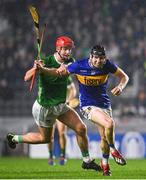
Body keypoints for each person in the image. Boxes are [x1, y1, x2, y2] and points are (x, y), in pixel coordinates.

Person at [6, 36, 101, 172]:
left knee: (81, 128)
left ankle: (86, 161)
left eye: (70, 49)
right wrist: (35, 68)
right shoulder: (47, 61)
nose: (68, 52)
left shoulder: (70, 62)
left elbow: (60, 73)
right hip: (44, 108)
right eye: (65, 49)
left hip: (60, 106)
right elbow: (26, 78)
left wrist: (43, 69)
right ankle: (14, 138)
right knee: (45, 138)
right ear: (58, 49)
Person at [35, 44, 129, 176]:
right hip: (87, 105)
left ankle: (105, 165)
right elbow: (58, 72)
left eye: (101, 58)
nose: (98, 61)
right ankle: (114, 150)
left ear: (105, 58)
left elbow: (125, 77)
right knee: (109, 123)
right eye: (95, 58)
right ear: (91, 57)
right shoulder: (79, 65)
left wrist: (120, 86)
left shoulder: (107, 65)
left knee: (104, 137)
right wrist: (43, 70)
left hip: (104, 105)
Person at [48, 77, 78, 166]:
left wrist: (68, 100)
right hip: (50, 108)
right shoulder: (47, 76)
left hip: (62, 107)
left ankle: (63, 155)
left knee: (62, 133)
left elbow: (73, 90)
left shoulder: (65, 76)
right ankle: (50, 156)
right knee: (50, 136)